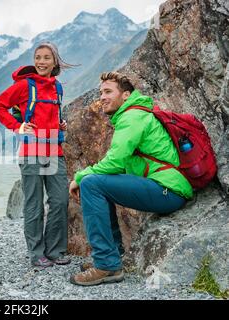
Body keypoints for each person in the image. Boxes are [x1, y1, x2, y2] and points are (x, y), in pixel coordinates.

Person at [69, 72, 193, 286]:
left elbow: (114, 163)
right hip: (165, 189)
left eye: (108, 91)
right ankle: (112, 257)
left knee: (91, 182)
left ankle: (107, 265)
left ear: (126, 95)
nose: (102, 97)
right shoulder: (134, 114)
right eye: (101, 93)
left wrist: (79, 176)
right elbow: (115, 166)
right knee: (98, 182)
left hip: (167, 190)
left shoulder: (132, 117)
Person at [0, 42, 75, 268]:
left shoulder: (57, 87)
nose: (41, 61)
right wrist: (17, 127)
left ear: (54, 62)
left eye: (46, 57)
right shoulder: (24, 86)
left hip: (54, 151)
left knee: (59, 200)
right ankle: (36, 253)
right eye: (38, 57)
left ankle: (55, 251)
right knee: (34, 204)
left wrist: (61, 124)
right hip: (31, 152)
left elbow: (48, 116)